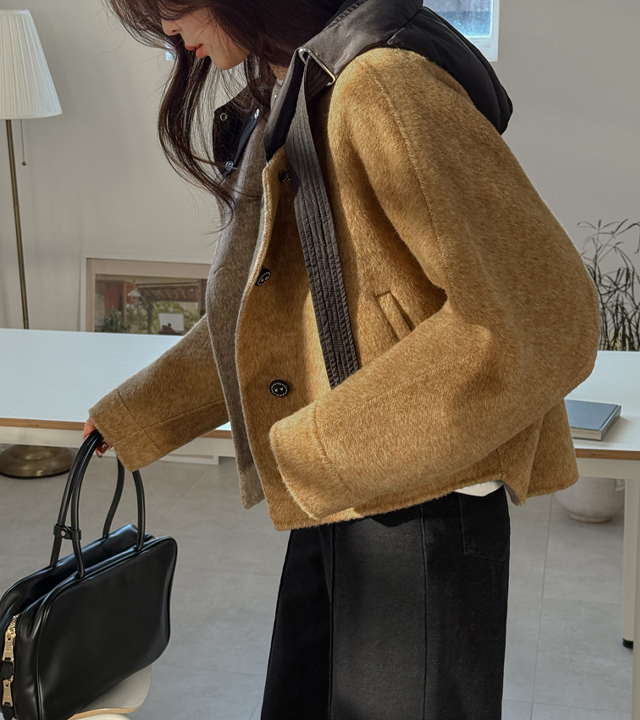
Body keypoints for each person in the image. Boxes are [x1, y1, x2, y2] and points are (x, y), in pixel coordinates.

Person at [83, 0, 602, 717]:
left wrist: (318, 445)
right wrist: (135, 415)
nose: (168, 32)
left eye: (172, 7)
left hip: (424, 504)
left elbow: (541, 317)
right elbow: (265, 323)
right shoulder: (297, 90)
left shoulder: (380, 86)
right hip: (348, 486)